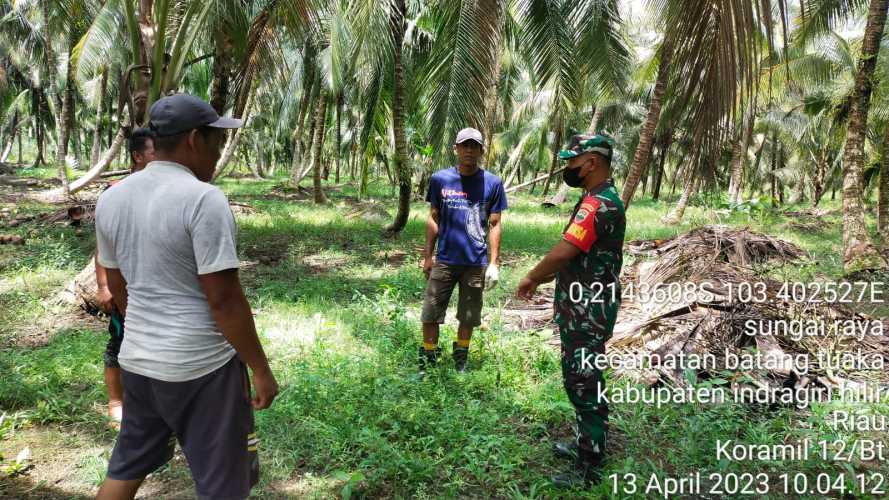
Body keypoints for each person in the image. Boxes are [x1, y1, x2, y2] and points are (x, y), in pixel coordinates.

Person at [95, 94, 278, 500]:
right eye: (216, 141)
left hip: (139, 363)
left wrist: (146, 333)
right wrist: (260, 370)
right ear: (195, 139)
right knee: (223, 486)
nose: (217, 153)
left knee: (125, 468)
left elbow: (118, 284)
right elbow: (224, 300)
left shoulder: (112, 198)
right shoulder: (202, 199)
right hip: (202, 368)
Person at [516, 134, 625, 488]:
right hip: (583, 304)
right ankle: (585, 443)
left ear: (591, 162)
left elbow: (566, 251)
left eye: (572, 162)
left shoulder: (598, 204)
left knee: (583, 380)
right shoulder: (595, 198)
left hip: (587, 309)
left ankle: (589, 465)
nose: (568, 168)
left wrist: (533, 276)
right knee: (580, 376)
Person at [420, 127, 507, 375]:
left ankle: (461, 360)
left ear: (481, 150)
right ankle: (428, 361)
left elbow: (495, 223)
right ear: (455, 149)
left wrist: (494, 263)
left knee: (468, 315)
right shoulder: (440, 179)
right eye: (464, 145)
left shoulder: (492, 182)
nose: (469, 150)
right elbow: (433, 218)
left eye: (474, 146)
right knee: (430, 313)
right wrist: (428, 255)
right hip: (445, 260)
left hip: (475, 262)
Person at [94, 127, 156, 422]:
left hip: (151, 284)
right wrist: (104, 285)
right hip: (124, 286)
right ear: (137, 156)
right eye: (153, 152)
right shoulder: (116, 192)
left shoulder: (165, 191)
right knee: (119, 342)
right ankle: (115, 401)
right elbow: (102, 249)